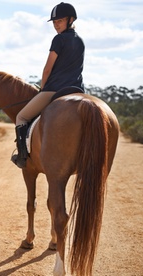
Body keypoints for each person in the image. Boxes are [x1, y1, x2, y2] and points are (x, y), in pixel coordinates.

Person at [11, 2, 85, 168]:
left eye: (59, 21)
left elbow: (47, 69)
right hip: (77, 90)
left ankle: (22, 156)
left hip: (54, 90)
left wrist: (43, 89)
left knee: (21, 117)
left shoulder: (58, 39)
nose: (56, 25)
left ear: (71, 20)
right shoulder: (80, 41)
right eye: (54, 22)